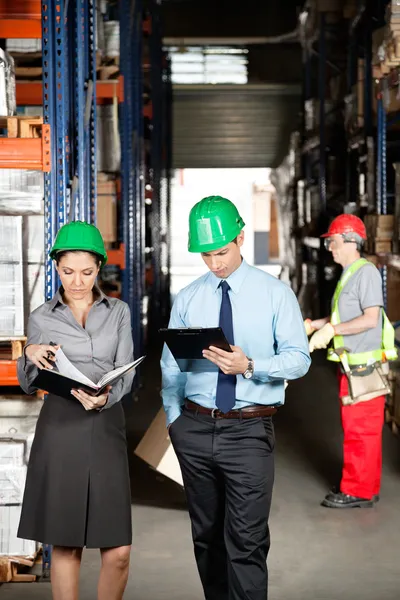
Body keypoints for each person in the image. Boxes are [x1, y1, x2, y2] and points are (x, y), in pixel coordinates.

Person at [161, 196, 311, 600]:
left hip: (248, 431)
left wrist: (250, 365)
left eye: (222, 252)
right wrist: (176, 422)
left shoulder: (275, 294)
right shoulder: (190, 297)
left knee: (245, 542)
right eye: (206, 255)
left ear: (241, 237)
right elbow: (171, 365)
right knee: (206, 538)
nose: (215, 264)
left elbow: (299, 360)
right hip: (194, 427)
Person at [17, 221, 135, 600]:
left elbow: (127, 372)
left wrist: (106, 397)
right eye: (68, 272)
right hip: (61, 429)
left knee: (118, 550)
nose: (77, 281)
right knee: (66, 544)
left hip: (105, 427)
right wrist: (29, 354)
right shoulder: (41, 317)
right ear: (56, 267)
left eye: (86, 272)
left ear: (99, 268)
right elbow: (28, 381)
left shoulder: (118, 312)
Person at [305, 214, 397, 509]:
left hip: (363, 367)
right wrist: (315, 325)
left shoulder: (365, 272)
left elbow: (370, 319)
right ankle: (364, 485)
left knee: (361, 431)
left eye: (333, 241)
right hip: (351, 365)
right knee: (361, 429)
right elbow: (343, 317)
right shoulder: (349, 273)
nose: (330, 247)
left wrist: (332, 330)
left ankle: (357, 491)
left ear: (349, 241)